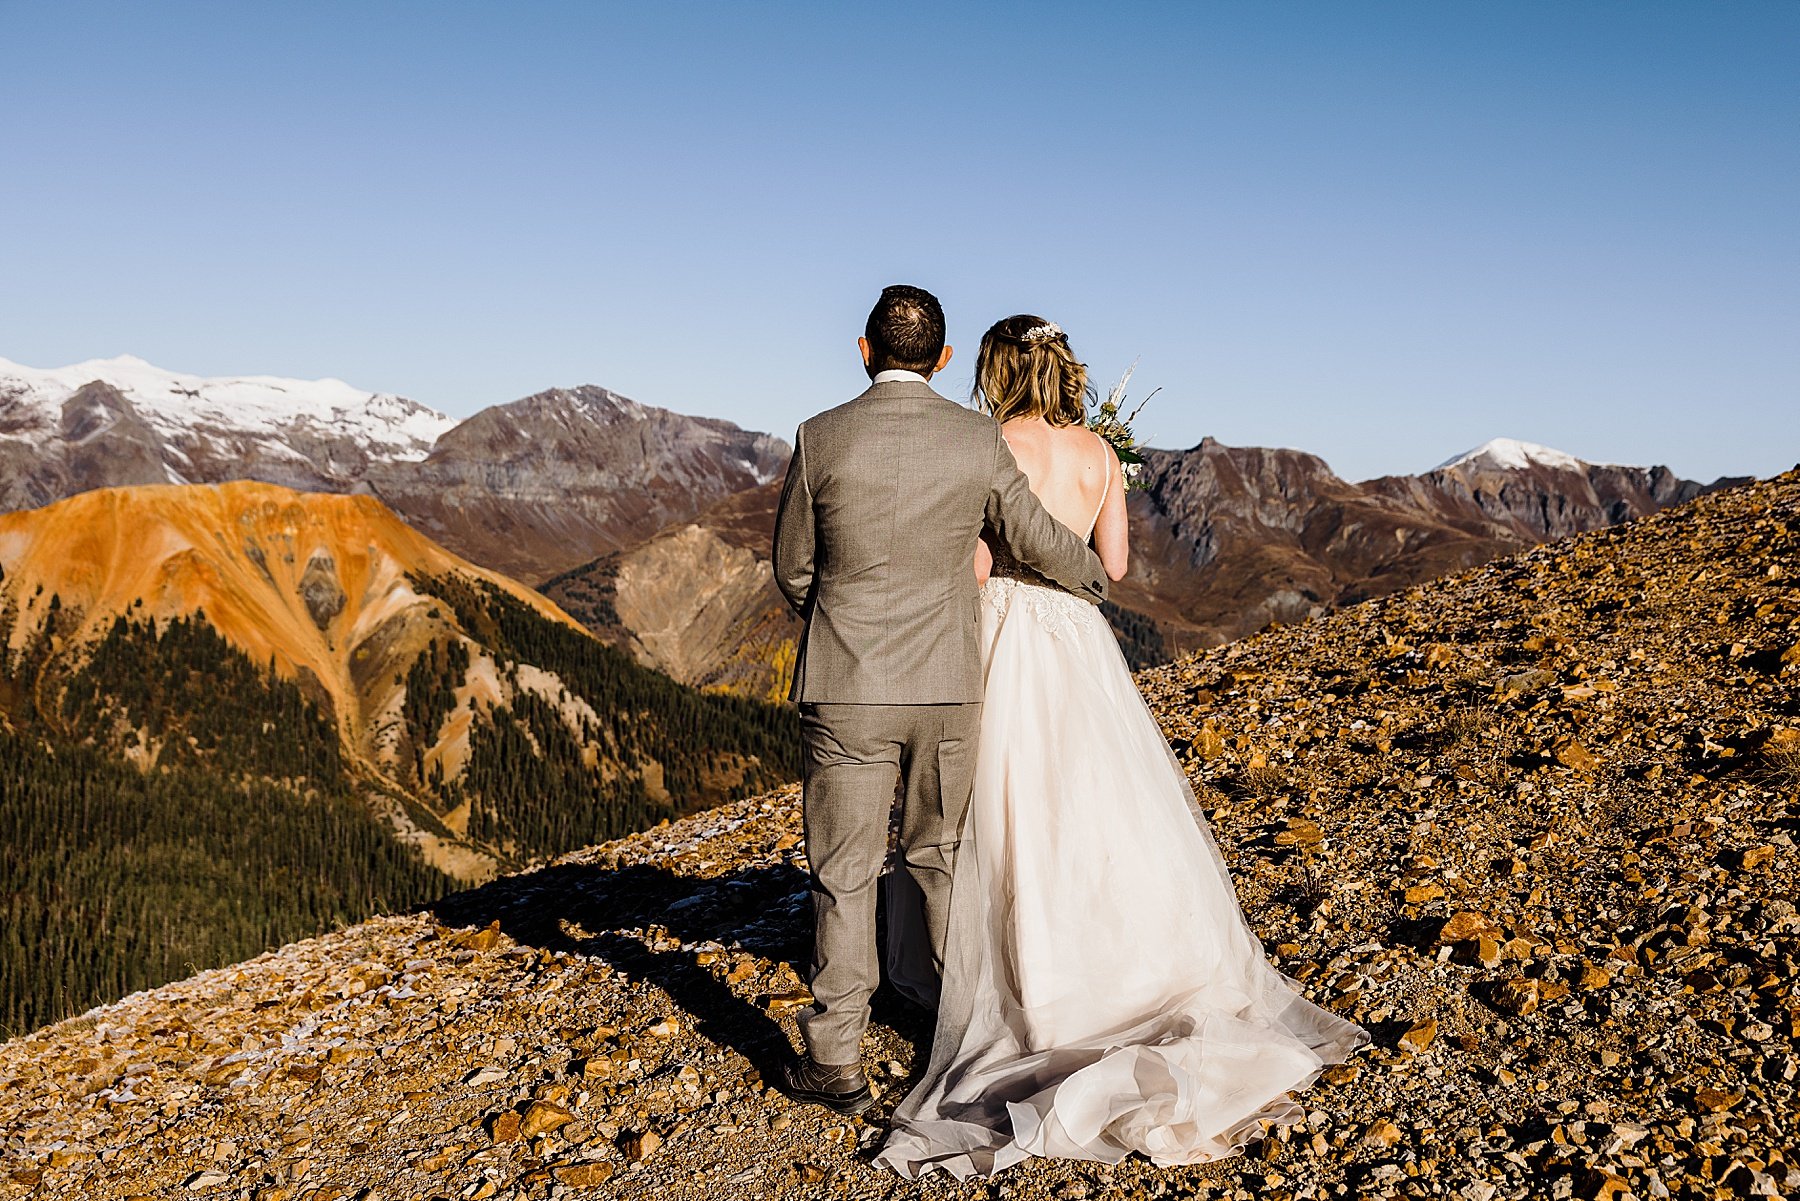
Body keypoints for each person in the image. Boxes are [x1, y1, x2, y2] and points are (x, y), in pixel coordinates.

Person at [875, 315, 1369, 1179]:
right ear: (1065, 368)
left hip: (1002, 636)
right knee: (1092, 805)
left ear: (993, 369)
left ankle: (1023, 982)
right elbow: (1115, 565)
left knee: (1001, 805)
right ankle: (1125, 964)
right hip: (1075, 638)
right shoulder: (1101, 453)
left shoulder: (987, 442)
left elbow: (984, 569)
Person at [770, 286, 1110, 1115]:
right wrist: (1094, 579)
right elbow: (1032, 534)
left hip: (847, 685)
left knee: (844, 872)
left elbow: (792, 567)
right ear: (944, 359)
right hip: (951, 683)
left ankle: (837, 1056)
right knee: (939, 856)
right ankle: (960, 1029)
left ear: (863, 349)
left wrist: (845, 618)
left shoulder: (821, 436)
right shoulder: (974, 438)